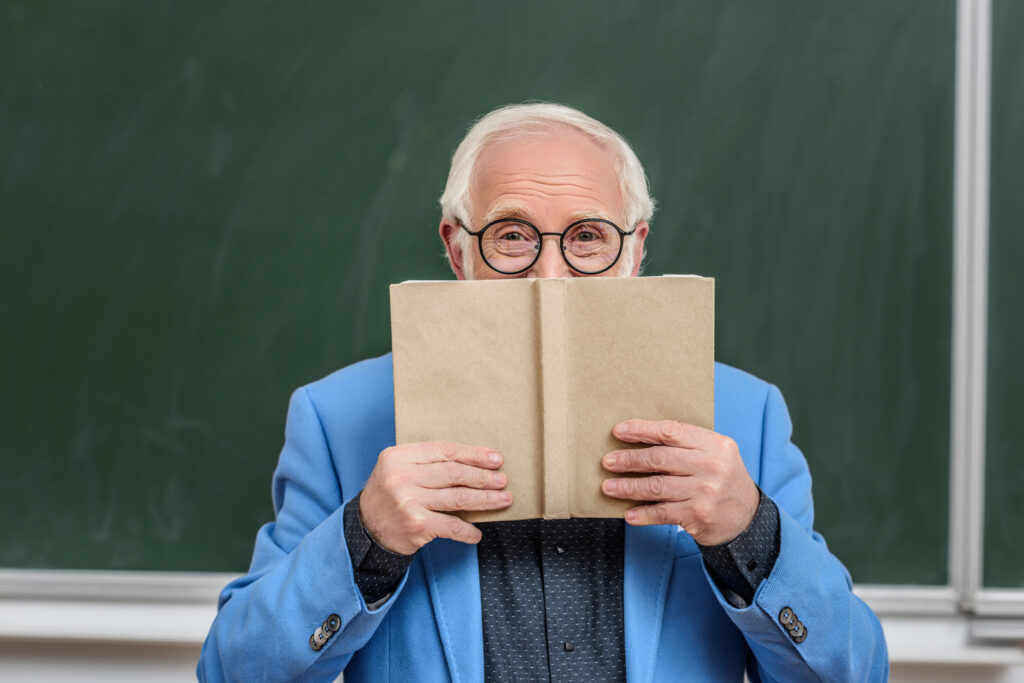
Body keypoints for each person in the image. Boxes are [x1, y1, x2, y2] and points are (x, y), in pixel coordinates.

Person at [198, 103, 888, 681]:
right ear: (457, 250)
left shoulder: (745, 417)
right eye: (511, 236)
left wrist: (748, 530)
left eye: (588, 237)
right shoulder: (338, 418)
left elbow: (856, 672)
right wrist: (365, 536)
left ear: (635, 251)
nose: (550, 276)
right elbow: (231, 671)